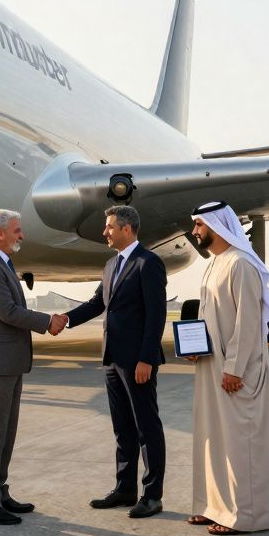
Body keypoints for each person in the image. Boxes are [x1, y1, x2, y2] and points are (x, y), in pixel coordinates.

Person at [61, 206, 167, 519]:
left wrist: (147, 358)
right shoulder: (111, 265)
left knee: (147, 427)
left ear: (126, 228)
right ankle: (125, 489)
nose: (104, 232)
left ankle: (152, 495)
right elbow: (97, 304)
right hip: (111, 360)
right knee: (122, 429)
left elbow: (156, 315)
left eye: (109, 227)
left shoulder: (148, 263)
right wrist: (64, 320)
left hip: (137, 361)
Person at [0, 209, 66, 526]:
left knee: (5, 435)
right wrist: (47, 322)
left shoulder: (1, 263)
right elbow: (8, 312)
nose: (21, 235)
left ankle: (0, 493)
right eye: (17, 230)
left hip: (7, 362)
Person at [187, 202, 269, 535]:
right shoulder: (214, 265)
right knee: (213, 441)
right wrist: (195, 348)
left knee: (241, 443)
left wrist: (235, 368)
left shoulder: (241, 265)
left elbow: (249, 323)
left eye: (199, 225)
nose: (195, 231)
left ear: (215, 225)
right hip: (212, 368)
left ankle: (247, 515)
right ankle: (216, 508)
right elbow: (207, 315)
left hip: (238, 371)